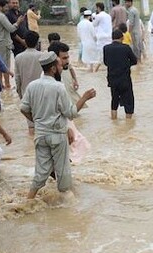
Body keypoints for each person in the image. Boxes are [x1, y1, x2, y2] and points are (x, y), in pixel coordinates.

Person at [20, 52, 96, 199]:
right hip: (57, 135)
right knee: (63, 172)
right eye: (60, 65)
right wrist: (85, 97)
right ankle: (68, 208)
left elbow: (23, 108)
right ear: (53, 69)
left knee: (41, 171)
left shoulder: (32, 86)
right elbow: (71, 112)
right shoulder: (58, 87)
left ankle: (28, 200)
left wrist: (36, 122)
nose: (62, 68)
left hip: (40, 134)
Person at [0, 0, 24, 89]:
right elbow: (11, 29)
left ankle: (0, 84)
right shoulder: (1, 16)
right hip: (3, 44)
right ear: (0, 6)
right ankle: (7, 85)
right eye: (6, 7)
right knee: (5, 65)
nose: (7, 9)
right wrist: (18, 22)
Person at [103, 29, 138, 120]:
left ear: (112, 38)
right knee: (129, 101)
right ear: (122, 38)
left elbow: (106, 62)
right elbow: (134, 61)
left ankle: (114, 120)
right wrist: (126, 65)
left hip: (112, 79)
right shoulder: (126, 48)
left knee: (114, 100)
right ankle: (128, 123)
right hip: (124, 79)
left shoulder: (106, 48)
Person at [14, 31, 42, 100]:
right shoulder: (43, 56)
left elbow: (17, 78)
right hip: (40, 93)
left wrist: (20, 93)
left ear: (25, 42)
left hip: (25, 93)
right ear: (37, 42)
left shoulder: (18, 57)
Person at [93, 2, 113, 72]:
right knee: (110, 54)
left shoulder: (98, 16)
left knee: (101, 56)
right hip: (109, 37)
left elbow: (94, 24)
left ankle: (95, 71)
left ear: (98, 8)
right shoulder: (108, 15)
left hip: (101, 38)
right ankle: (109, 69)